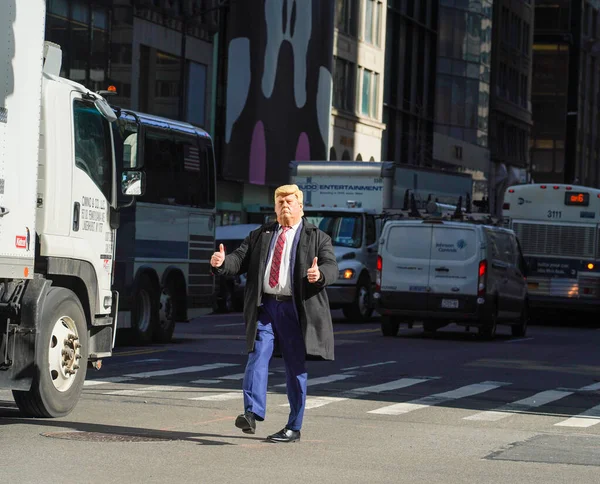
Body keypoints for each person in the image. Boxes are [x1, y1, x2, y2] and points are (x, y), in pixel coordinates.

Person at [210, 184, 338, 443]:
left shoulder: (317, 237)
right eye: (279, 202)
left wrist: (320, 275)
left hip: (294, 309)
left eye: (289, 201)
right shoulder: (261, 234)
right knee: (257, 354)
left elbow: (331, 266)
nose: (284, 206)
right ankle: (251, 412)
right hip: (266, 307)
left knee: (295, 368)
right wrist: (223, 264)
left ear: (301, 206)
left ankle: (294, 426)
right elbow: (238, 260)